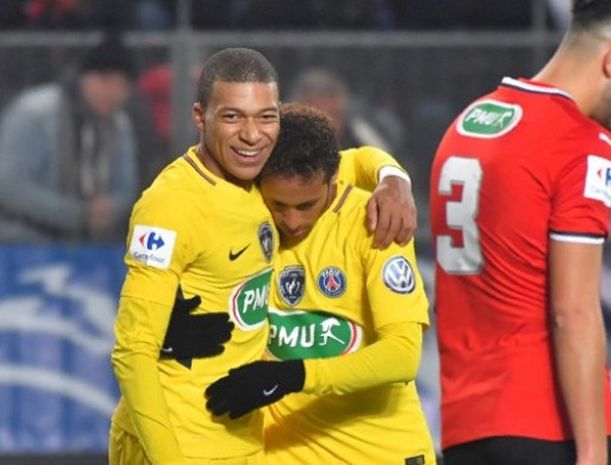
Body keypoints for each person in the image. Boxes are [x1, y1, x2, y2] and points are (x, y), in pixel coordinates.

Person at [110, 47, 416, 465]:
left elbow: (350, 159)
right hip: (202, 445)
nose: (252, 134)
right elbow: (133, 351)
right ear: (201, 117)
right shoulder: (185, 200)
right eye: (232, 116)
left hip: (291, 447)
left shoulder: (349, 208)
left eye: (264, 117)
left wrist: (393, 176)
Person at [429, 1, 611, 465]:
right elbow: (574, 311)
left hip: (465, 425)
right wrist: (592, 453)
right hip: (549, 426)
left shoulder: (469, 123)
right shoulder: (584, 144)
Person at [196, 103, 435, 464]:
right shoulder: (244, 220)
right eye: (278, 205)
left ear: (334, 179)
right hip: (280, 454)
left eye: (307, 205)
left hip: (380, 454)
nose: (292, 221)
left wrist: (293, 374)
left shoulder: (376, 222)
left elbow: (402, 357)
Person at [0, 33, 138, 243]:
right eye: (105, 80)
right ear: (84, 77)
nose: (112, 92)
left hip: (91, 245)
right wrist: (78, 214)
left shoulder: (119, 123)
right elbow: (10, 185)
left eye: (122, 86)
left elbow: (126, 186)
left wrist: (109, 209)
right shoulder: (33, 113)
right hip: (22, 243)